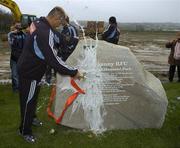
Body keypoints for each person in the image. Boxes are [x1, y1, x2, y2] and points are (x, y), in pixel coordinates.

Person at [17, 6, 82, 143]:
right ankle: (24, 130)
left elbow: (53, 33)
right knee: (28, 101)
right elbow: (53, 61)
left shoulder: (38, 23)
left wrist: (66, 39)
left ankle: (32, 118)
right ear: (55, 18)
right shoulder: (44, 32)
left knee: (32, 98)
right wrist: (73, 72)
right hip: (30, 72)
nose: (60, 25)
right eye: (60, 22)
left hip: (28, 67)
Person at [7, 22, 26, 92]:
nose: (18, 27)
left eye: (19, 26)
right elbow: (11, 43)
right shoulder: (11, 34)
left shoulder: (23, 34)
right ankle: (16, 88)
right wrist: (13, 32)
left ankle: (20, 87)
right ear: (14, 27)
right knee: (14, 74)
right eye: (17, 26)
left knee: (21, 73)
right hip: (14, 58)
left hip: (21, 57)